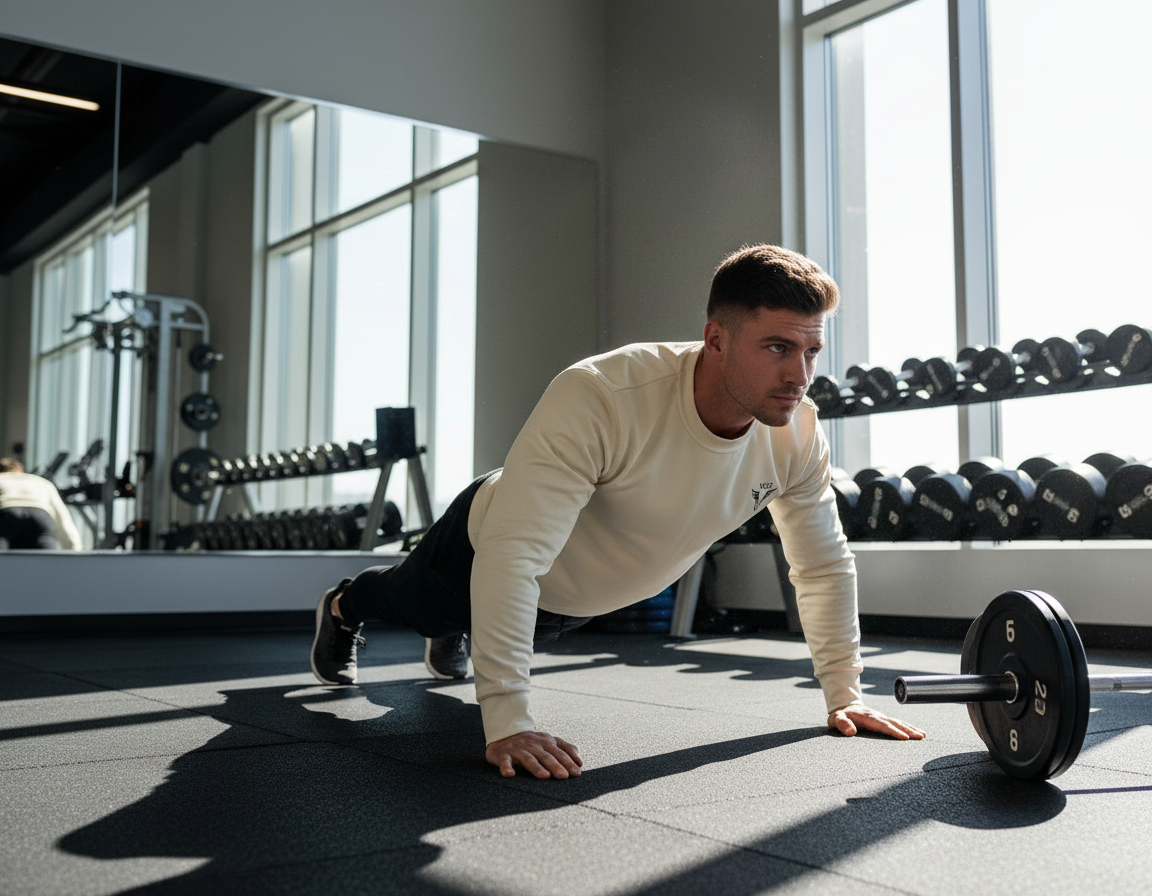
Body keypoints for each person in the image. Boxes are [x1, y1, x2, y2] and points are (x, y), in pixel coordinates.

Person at [310, 244, 925, 779]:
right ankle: (343, 605)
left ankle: (464, 626)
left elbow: (821, 565)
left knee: (504, 615)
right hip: (482, 548)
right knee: (407, 603)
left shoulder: (797, 434)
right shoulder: (604, 394)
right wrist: (507, 720)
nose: (800, 374)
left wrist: (845, 693)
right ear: (716, 338)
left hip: (571, 600)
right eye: (777, 347)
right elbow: (514, 554)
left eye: (812, 350)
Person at [0, 457, 83, 550]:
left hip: (7, 515)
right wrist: (74, 550)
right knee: (47, 560)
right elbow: (62, 517)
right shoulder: (41, 482)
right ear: (22, 470)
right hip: (40, 517)